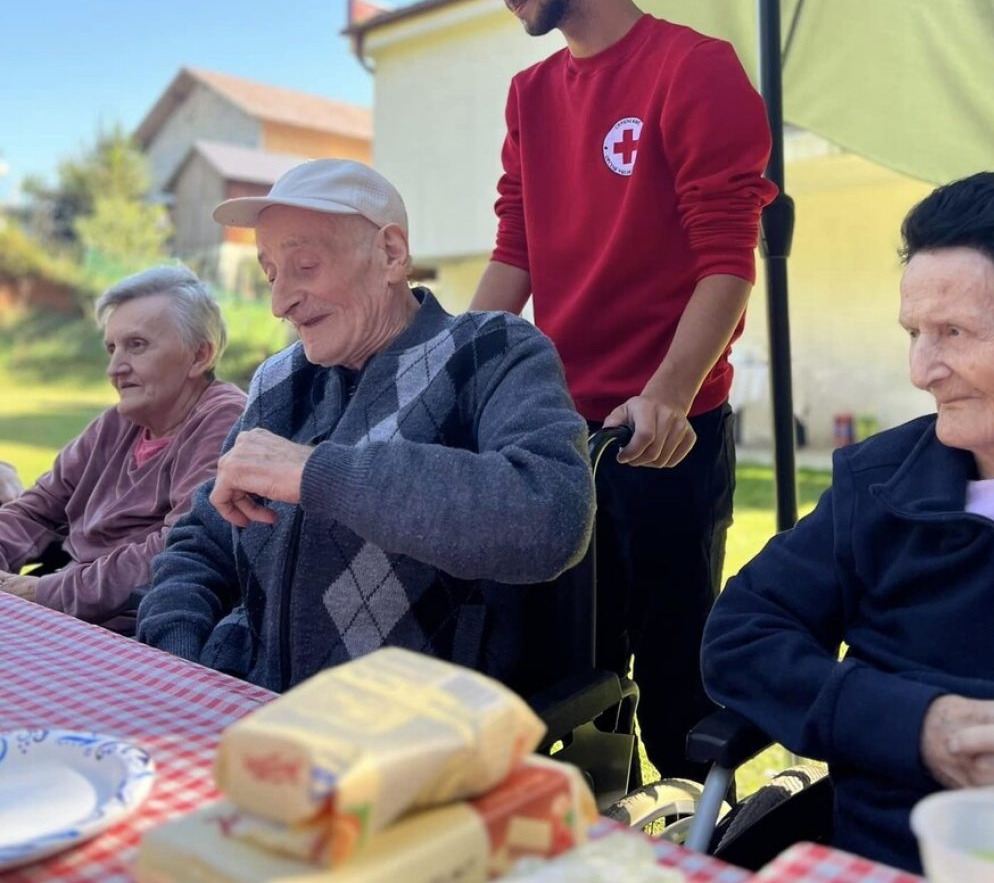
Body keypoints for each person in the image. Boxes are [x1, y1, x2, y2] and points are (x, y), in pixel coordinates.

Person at [457, 0, 777, 779]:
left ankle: (686, 841)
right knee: (570, 688)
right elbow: (514, 248)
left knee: (677, 686)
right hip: (555, 438)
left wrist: (668, 398)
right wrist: (453, 370)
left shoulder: (696, 69)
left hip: (666, 436)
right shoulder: (529, 96)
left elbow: (726, 259)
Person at [137, 159, 594, 695]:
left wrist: (316, 473)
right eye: (271, 274)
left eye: (304, 265)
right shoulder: (279, 381)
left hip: (412, 733)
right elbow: (201, 542)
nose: (280, 302)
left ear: (391, 254)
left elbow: (550, 514)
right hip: (254, 711)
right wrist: (180, 657)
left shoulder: (494, 351)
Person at [702, 167, 994, 873]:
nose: (921, 368)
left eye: (954, 332)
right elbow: (741, 637)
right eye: (914, 332)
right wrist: (920, 726)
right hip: (890, 855)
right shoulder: (879, 487)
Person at [0, 266, 245, 631]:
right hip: (64, 608)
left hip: (137, 628)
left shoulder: (223, 418)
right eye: (112, 348)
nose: (115, 368)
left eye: (137, 345)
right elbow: (36, 511)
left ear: (200, 356)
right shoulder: (116, 424)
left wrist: (45, 592)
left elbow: (178, 547)